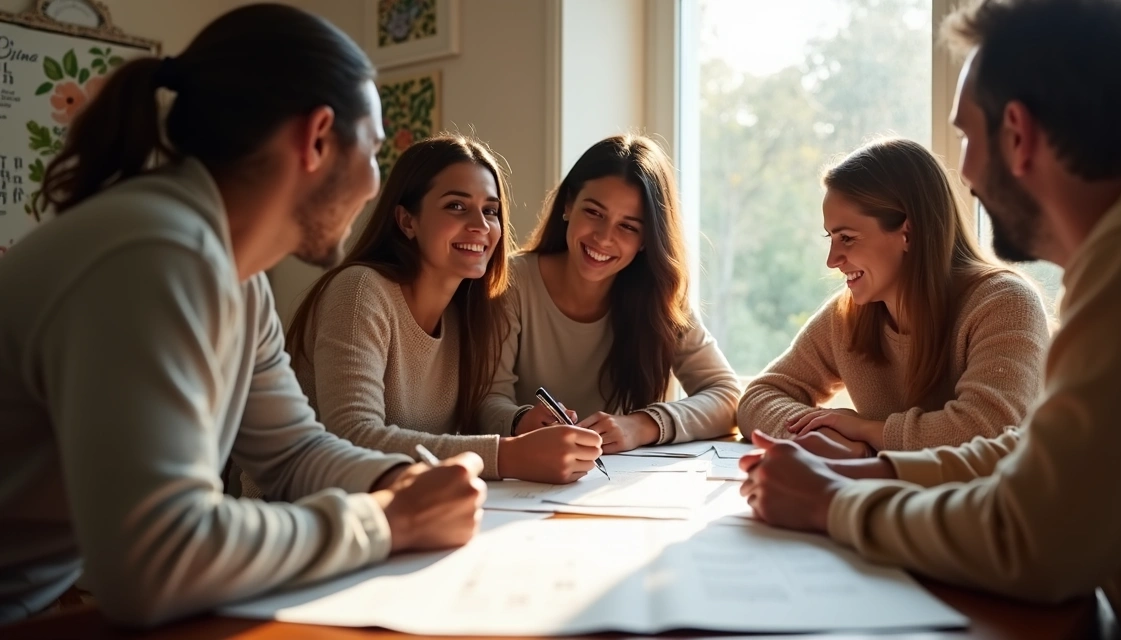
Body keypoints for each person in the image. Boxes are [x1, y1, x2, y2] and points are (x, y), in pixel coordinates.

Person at [739, 1, 1121, 637]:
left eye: (966, 137)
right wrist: (878, 468)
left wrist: (833, 502)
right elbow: (1035, 456)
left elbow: (1038, 540)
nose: (963, 175)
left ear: (1017, 134)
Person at [0, 4, 484, 626]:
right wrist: (386, 521)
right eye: (371, 153)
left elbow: (291, 454)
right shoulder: (155, 254)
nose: (371, 185)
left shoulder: (236, 272)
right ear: (316, 138)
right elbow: (156, 562)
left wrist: (399, 479)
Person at [277, 135, 601, 486]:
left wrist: (519, 422)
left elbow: (476, 415)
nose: (480, 224)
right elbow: (354, 437)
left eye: (490, 210)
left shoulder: (468, 311)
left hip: (405, 508)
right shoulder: (360, 291)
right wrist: (508, 455)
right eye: (456, 207)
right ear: (407, 221)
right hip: (303, 514)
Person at [738, 137, 1049, 458]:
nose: (832, 260)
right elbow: (760, 396)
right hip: (893, 500)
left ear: (908, 233)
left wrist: (868, 431)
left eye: (847, 238)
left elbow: (988, 430)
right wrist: (830, 439)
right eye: (830, 237)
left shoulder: (1005, 303)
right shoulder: (848, 317)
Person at [477, 135, 740, 453]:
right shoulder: (510, 280)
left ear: (646, 239)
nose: (603, 238)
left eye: (628, 227)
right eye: (594, 213)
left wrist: (642, 425)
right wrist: (520, 421)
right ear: (569, 204)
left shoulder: (660, 294)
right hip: (529, 473)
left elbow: (726, 395)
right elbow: (486, 400)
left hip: (620, 483)